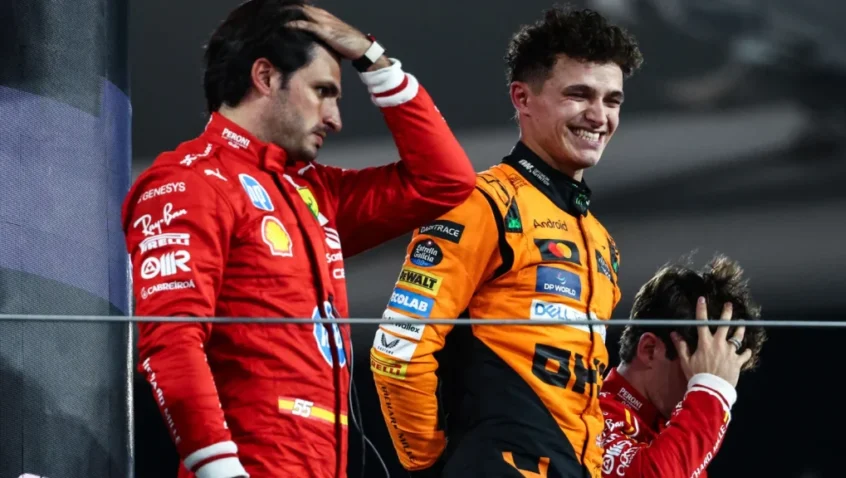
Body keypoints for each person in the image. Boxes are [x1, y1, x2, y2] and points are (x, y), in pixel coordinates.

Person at [122, 1, 477, 477]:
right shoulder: (188, 183)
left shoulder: (314, 192)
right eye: (323, 91)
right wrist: (220, 471)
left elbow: (445, 181)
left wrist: (375, 61)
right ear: (266, 77)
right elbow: (171, 343)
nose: (335, 118)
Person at [369, 5, 643, 477]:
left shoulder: (600, 240)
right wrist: (430, 466)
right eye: (578, 94)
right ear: (522, 98)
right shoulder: (481, 203)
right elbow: (398, 350)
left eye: (612, 100)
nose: (599, 116)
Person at [599, 256, 767, 478]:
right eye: (697, 371)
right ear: (650, 350)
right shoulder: (590, 414)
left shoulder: (673, 437)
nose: (695, 391)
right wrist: (710, 391)